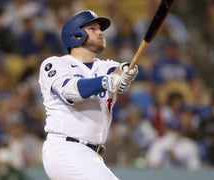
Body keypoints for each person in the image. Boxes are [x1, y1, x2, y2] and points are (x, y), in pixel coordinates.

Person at [38, 10, 139, 180]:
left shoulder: (104, 67)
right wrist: (108, 81)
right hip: (65, 149)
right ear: (76, 35)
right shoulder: (55, 64)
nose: (100, 32)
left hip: (92, 155)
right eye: (93, 28)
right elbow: (70, 91)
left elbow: (120, 69)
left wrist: (128, 71)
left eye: (101, 29)